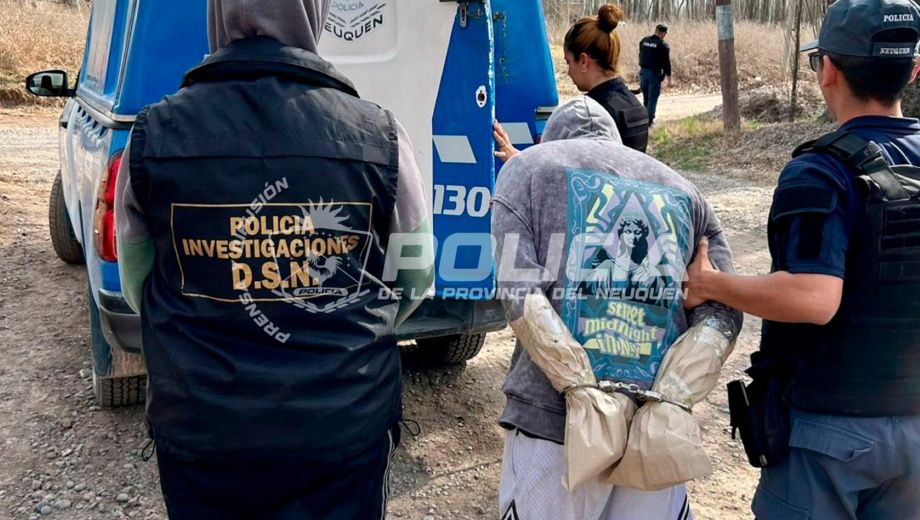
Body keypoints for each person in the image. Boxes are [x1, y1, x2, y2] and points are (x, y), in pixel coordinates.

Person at [114, 0, 434, 517]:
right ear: (314, 12)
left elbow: (137, 284)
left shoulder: (154, 133)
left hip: (203, 428)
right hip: (341, 428)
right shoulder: (379, 133)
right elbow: (415, 278)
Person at [684, 0, 920, 517]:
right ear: (913, 70)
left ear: (827, 69)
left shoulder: (820, 171)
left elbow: (813, 298)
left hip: (830, 432)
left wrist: (710, 284)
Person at [492, 95, 742, 520]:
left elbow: (519, 291)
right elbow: (723, 313)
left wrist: (579, 387)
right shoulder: (686, 191)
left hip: (551, 429)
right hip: (652, 437)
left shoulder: (527, 170)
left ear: (551, 139)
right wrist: (671, 396)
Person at [494, 4, 649, 155]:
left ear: (583, 61)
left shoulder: (588, 116)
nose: (568, 72)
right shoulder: (637, 108)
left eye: (568, 62)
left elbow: (568, 171)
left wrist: (514, 157)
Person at [638, 24, 672, 126]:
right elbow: (667, 64)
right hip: (654, 75)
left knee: (646, 98)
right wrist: (669, 81)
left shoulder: (644, 41)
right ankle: (649, 122)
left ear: (656, 31)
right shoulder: (663, 45)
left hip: (643, 73)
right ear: (663, 33)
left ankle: (644, 120)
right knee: (652, 99)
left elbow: (640, 55)